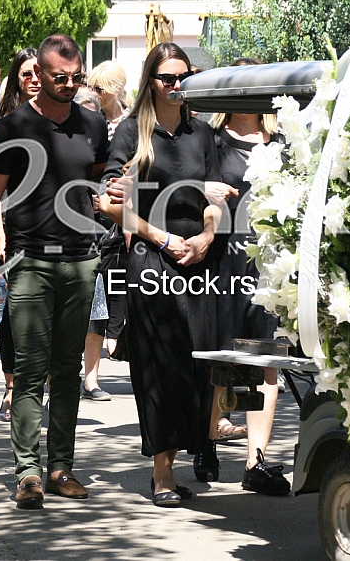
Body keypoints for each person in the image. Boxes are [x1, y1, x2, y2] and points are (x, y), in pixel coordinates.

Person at [98, 43, 234, 507]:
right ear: (150, 82)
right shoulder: (131, 135)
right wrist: (161, 238)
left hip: (199, 258)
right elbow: (112, 205)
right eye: (167, 79)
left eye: (184, 77)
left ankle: (192, 452)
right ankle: (162, 472)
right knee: (160, 366)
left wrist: (206, 239)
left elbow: (215, 200)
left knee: (197, 363)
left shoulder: (202, 135)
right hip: (152, 256)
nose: (177, 86)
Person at [0, 34, 107, 510]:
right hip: (29, 261)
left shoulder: (94, 124)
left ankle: (60, 468)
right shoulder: (13, 126)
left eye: (76, 78)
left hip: (80, 260)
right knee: (30, 370)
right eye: (60, 78)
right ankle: (27, 473)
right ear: (40, 73)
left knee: (67, 370)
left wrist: (117, 197)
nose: (69, 85)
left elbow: (99, 188)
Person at [206, 107, 290, 495]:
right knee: (221, 356)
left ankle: (255, 462)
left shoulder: (283, 145)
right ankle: (205, 439)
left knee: (266, 359)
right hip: (221, 260)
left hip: (268, 265)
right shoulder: (212, 143)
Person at [81, 61, 132, 401]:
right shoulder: (91, 123)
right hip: (87, 215)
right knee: (89, 295)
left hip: (121, 216)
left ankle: (93, 375)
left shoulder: (131, 124)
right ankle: (83, 374)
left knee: (111, 294)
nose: (96, 95)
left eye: (101, 89)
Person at [0, 48, 40, 118]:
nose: (35, 79)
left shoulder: (58, 118)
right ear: (16, 77)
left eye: (39, 73)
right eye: (27, 74)